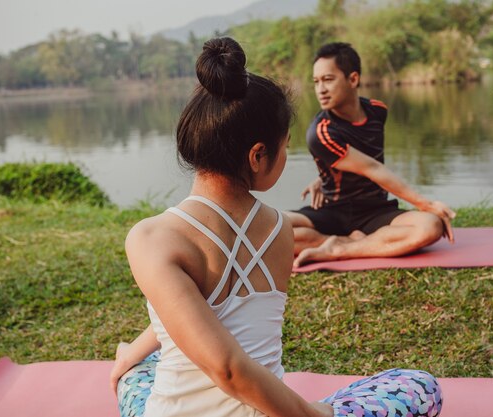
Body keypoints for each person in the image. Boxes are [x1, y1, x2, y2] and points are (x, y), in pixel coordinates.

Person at [109, 37, 443, 417]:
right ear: (257, 155)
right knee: (418, 384)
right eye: (285, 147)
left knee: (138, 373)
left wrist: (128, 359)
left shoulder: (150, 238)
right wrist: (316, 413)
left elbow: (196, 324)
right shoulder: (279, 230)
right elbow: (219, 355)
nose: (286, 156)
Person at [287, 42, 456, 268]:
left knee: (430, 227)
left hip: (374, 211)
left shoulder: (377, 110)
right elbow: (371, 167)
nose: (320, 89)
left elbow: (368, 162)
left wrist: (426, 209)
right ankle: (351, 241)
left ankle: (340, 248)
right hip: (332, 212)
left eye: (328, 79)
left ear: (353, 79)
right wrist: (426, 202)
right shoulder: (321, 132)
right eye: (316, 82)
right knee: (267, 228)